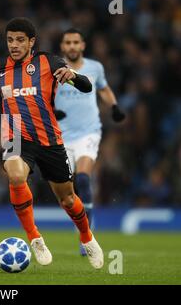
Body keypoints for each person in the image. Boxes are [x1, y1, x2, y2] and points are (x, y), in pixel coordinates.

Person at [0, 17, 103, 269]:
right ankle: (35, 237)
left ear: (31, 41)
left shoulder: (48, 62)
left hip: (50, 141)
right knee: (15, 175)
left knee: (68, 199)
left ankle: (87, 237)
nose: (14, 45)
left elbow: (87, 86)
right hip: (17, 138)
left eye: (20, 40)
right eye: (10, 40)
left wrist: (73, 75)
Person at [54, 28, 125, 255]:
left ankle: (87, 237)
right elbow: (43, 95)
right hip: (60, 136)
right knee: (66, 191)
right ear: (62, 46)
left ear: (83, 45)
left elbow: (103, 89)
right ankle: (83, 225)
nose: (72, 46)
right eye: (68, 42)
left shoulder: (95, 68)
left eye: (76, 42)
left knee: (83, 178)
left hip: (88, 132)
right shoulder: (53, 68)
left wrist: (113, 107)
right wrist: (52, 112)